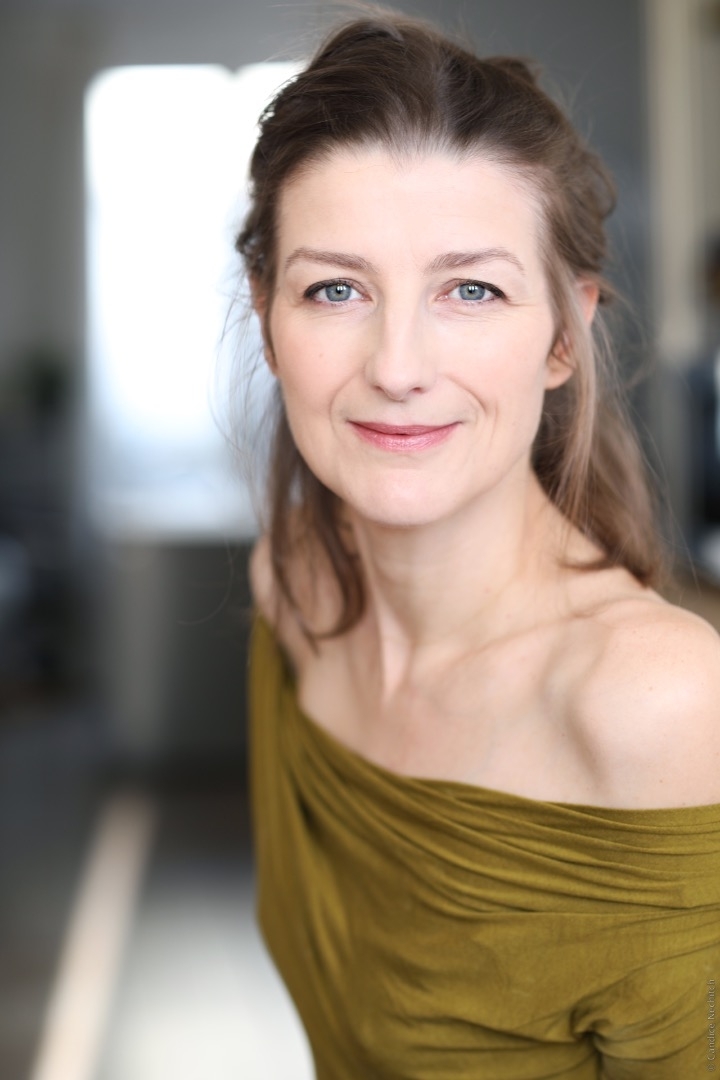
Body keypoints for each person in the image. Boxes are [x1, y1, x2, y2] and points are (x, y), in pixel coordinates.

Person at [236, 11, 720, 1078]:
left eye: (471, 289)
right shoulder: (292, 587)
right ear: (268, 317)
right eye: (336, 289)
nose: (398, 366)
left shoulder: (661, 706)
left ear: (563, 335)